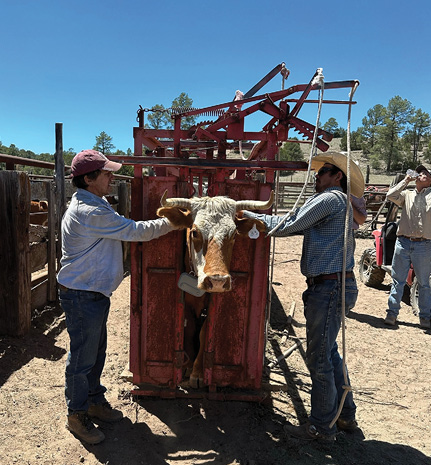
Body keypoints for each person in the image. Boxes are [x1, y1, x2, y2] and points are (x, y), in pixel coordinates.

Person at [57, 150, 182, 444]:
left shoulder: (94, 203)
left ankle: (93, 400)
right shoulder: (91, 211)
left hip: (90, 292)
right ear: (88, 179)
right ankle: (76, 414)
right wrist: (173, 222)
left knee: (95, 352)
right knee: (82, 358)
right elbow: (135, 231)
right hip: (82, 294)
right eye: (106, 173)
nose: (112, 177)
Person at [242, 151, 365, 441]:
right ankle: (345, 416)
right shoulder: (339, 202)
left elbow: (290, 223)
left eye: (324, 172)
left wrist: (249, 217)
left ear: (337, 177)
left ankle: (322, 428)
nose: (317, 175)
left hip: (329, 286)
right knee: (329, 352)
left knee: (319, 358)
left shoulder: (330, 199)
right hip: (334, 284)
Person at [384, 164, 431, 329]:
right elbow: (390, 195)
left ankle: (425, 317)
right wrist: (406, 180)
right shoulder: (407, 194)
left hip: (424, 244)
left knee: (424, 282)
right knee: (398, 280)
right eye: (419, 172)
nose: (420, 174)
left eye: (424, 173)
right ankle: (392, 314)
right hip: (403, 242)